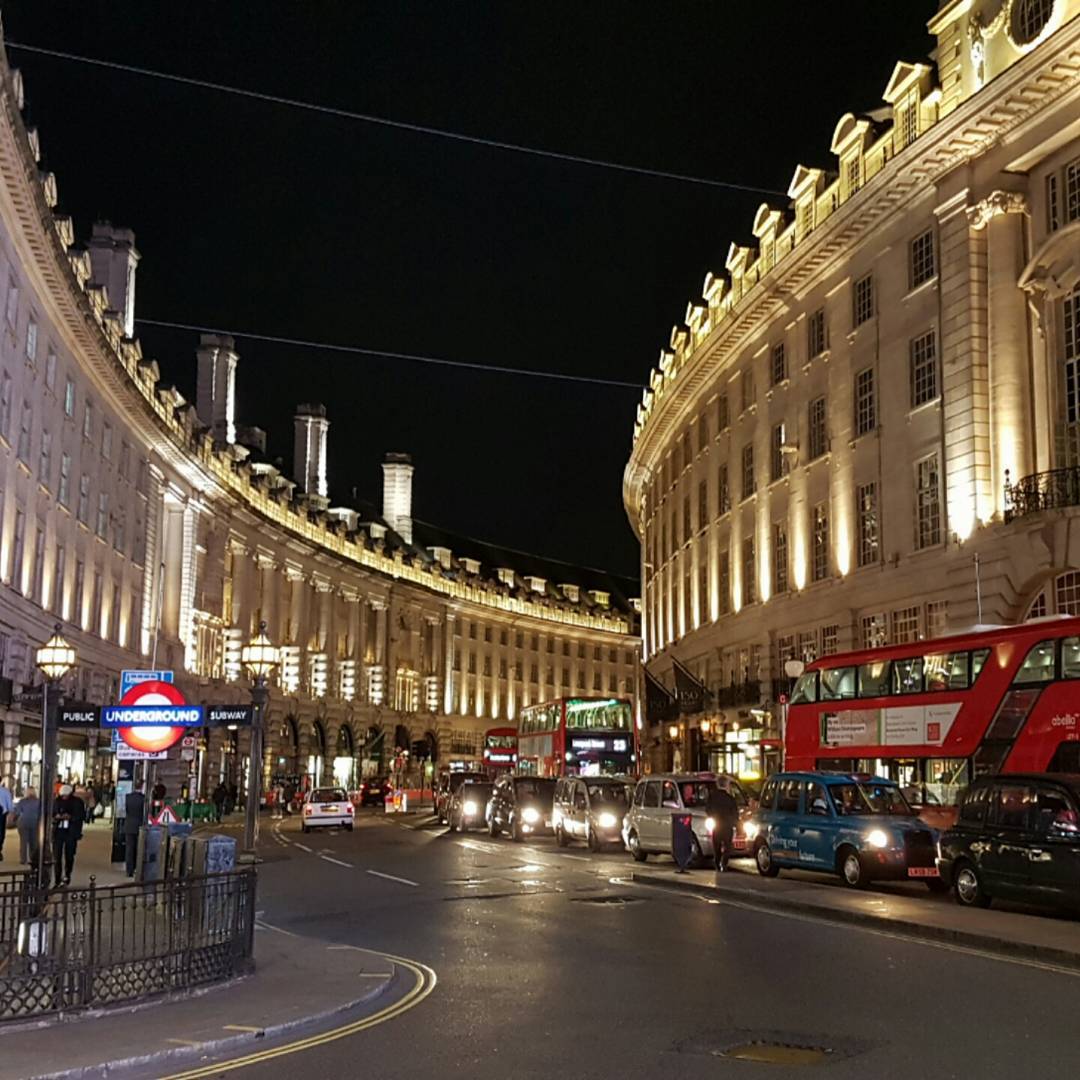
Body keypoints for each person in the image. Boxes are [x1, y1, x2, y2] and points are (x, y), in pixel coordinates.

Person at [52, 784, 86, 888]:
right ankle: (57, 879)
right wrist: (56, 817)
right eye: (62, 796)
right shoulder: (56, 801)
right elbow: (52, 813)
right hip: (58, 832)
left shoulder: (77, 802)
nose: (64, 798)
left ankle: (67, 875)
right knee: (57, 857)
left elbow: (81, 816)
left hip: (71, 832)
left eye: (66, 796)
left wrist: (71, 817)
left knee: (69, 855)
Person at [705, 782, 739, 872]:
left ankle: (717, 863)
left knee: (717, 846)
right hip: (727, 826)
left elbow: (708, 809)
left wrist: (713, 816)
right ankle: (724, 864)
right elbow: (735, 813)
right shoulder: (730, 798)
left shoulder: (713, 798)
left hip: (717, 825)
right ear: (726, 786)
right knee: (728, 846)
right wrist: (735, 825)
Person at [12, 787, 40, 867]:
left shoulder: (22, 801)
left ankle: (23, 859)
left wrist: (14, 819)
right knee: (34, 841)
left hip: (23, 822)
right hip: (35, 822)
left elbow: (17, 812)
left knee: (23, 841)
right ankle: (33, 858)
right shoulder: (38, 802)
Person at [124, 781, 147, 877]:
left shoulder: (128, 797)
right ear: (142, 786)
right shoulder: (143, 798)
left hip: (129, 825)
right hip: (139, 825)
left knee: (129, 848)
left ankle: (129, 870)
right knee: (139, 848)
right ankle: (137, 868)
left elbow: (127, 810)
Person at [0, 776, 13, 861]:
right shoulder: (5, 791)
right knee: (1, 833)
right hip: (1, 814)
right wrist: (10, 810)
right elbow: (10, 804)